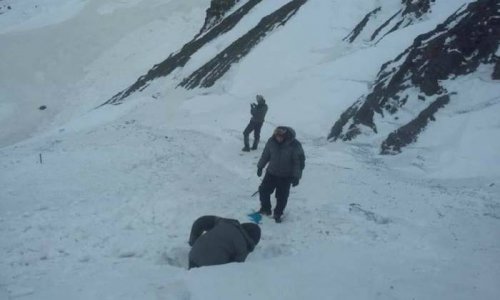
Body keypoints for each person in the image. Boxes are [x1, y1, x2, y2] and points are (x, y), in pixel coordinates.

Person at [256, 126, 305, 223]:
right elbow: (266, 155)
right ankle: (266, 209)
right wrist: (260, 166)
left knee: (281, 196)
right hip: (271, 173)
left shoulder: (295, 145)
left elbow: (298, 162)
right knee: (263, 191)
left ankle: (278, 213)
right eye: (276, 136)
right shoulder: (271, 141)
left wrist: (296, 177)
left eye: (280, 137)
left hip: (286, 176)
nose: (278, 138)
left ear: (286, 136)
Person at [188, 215, 261, 269]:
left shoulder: (225, 222)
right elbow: (233, 269)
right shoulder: (243, 248)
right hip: (206, 269)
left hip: (192, 254)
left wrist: (193, 241)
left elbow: (200, 222)